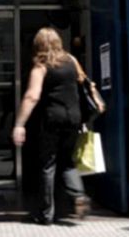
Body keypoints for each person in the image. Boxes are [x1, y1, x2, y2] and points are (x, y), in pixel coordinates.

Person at [12, 27, 103, 225]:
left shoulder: (41, 66)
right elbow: (84, 82)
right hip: (74, 118)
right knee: (67, 161)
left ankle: (45, 214)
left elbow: (32, 96)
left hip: (52, 119)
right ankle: (79, 195)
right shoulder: (71, 60)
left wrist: (19, 124)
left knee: (48, 165)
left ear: (38, 45)